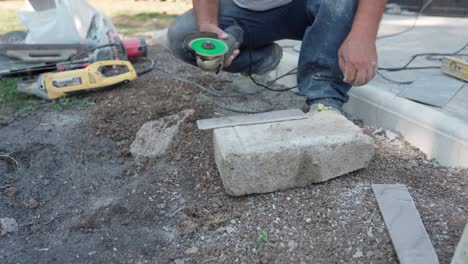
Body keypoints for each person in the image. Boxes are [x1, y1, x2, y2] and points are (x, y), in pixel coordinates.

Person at [167, 0, 387, 112]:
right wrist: (208, 26)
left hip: (316, 6)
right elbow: (205, 27)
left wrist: (363, 35)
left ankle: (325, 100)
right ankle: (262, 58)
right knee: (183, 37)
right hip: (247, 12)